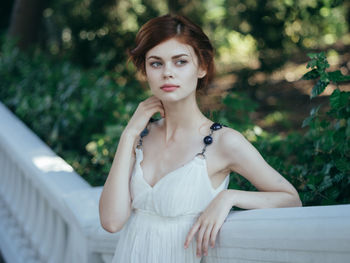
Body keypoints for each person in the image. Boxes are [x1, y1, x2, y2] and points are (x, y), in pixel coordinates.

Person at [99, 14, 302, 263]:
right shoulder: (140, 136)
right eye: (156, 63)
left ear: (202, 67)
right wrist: (129, 133)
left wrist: (229, 197)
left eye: (180, 61)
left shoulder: (224, 142)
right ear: (146, 71)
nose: (167, 73)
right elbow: (111, 221)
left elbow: (291, 200)